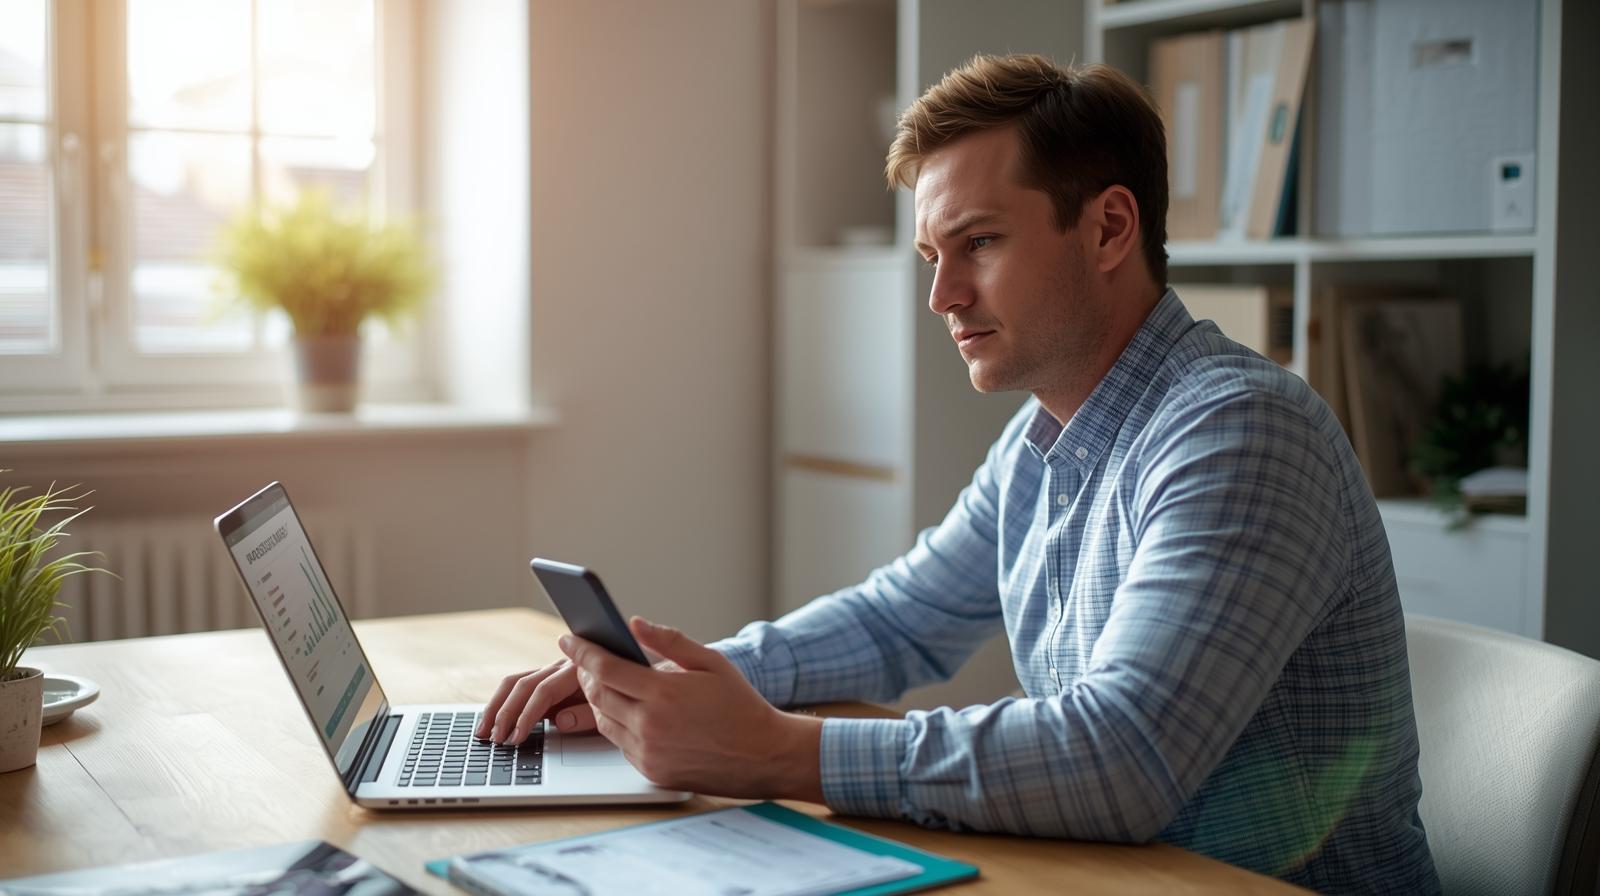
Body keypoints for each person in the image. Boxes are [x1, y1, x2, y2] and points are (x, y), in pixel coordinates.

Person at [479, 54, 1441, 892]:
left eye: (977, 242)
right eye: (933, 256)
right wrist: (669, 687)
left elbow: (1123, 757)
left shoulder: (1237, 431)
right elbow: (901, 619)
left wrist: (773, 750)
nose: (941, 296)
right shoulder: (1049, 437)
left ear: (1110, 230)